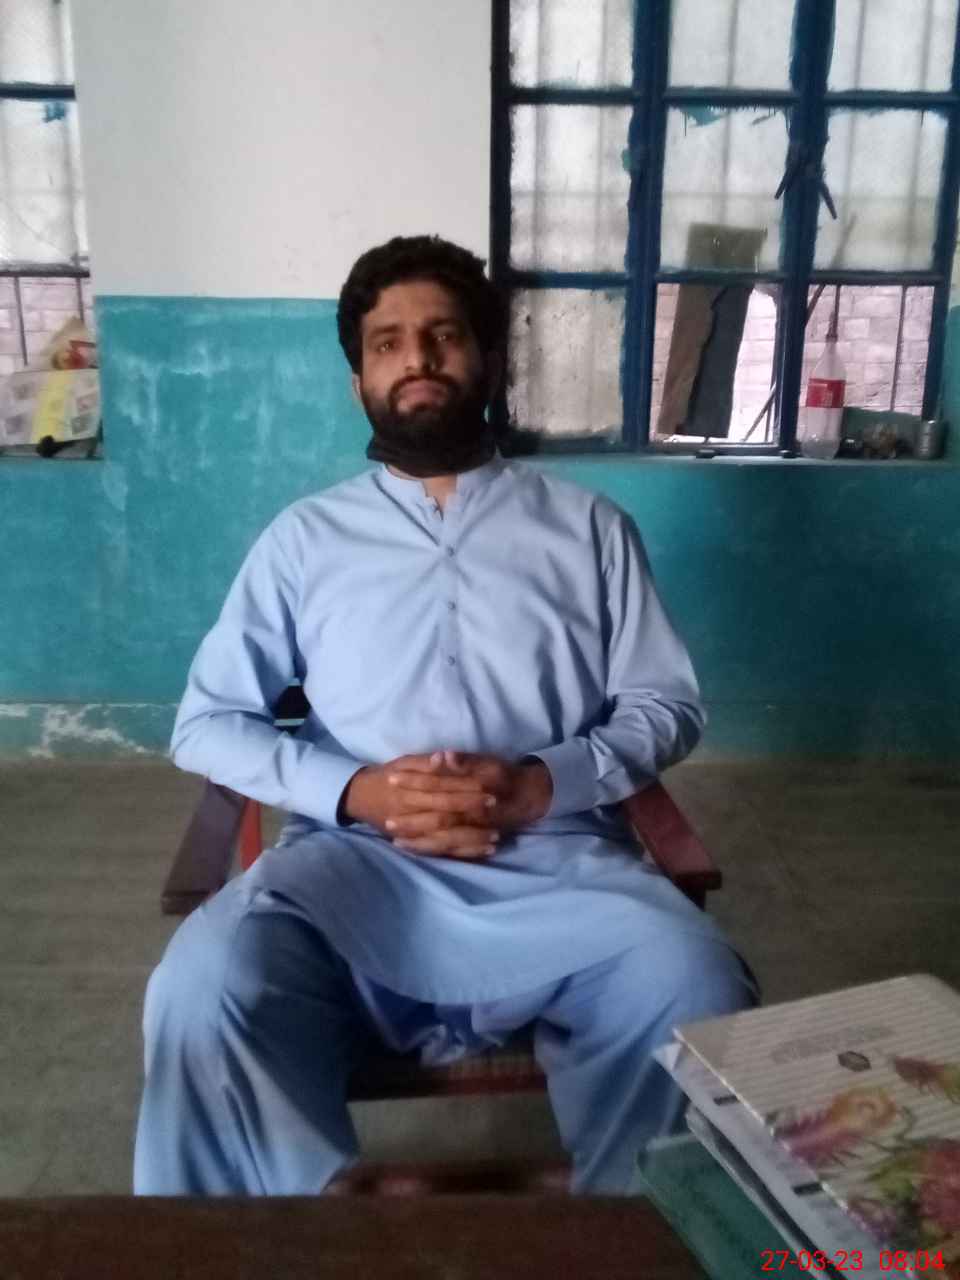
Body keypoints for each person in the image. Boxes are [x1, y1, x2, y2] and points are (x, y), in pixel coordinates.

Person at [134, 234, 757, 1196]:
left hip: (560, 863)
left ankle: (636, 1233)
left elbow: (663, 703)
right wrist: (358, 791)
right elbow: (207, 723)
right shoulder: (303, 541)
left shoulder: (588, 528)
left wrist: (544, 783)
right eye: (386, 343)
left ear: (490, 362)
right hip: (356, 868)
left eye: (444, 335)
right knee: (203, 987)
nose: (416, 358)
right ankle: (288, 1237)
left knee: (699, 985)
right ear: (358, 382)